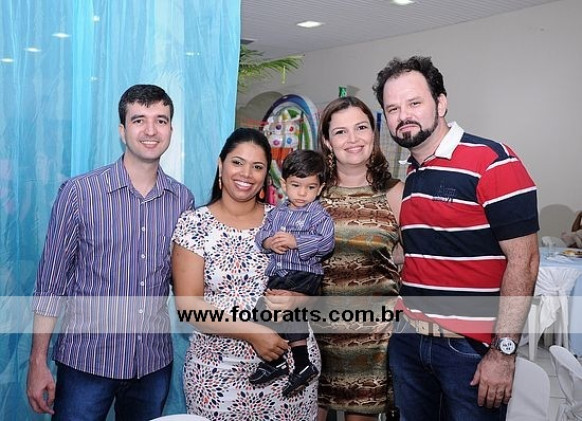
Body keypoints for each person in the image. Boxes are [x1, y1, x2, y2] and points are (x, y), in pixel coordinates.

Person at [373, 55, 540, 420]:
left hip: (468, 352)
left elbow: (525, 261)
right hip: (409, 343)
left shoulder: (493, 161)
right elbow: (423, 254)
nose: (403, 115)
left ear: (441, 102)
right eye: (393, 108)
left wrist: (503, 353)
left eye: (414, 103)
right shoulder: (412, 176)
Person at [26, 84, 195, 420]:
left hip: (151, 365)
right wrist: (37, 361)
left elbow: (184, 283)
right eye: (139, 120)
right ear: (122, 130)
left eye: (160, 120)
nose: (150, 130)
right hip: (86, 363)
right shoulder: (80, 192)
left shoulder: (182, 200)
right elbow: (50, 284)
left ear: (171, 130)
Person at [171, 128, 320, 420]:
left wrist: (298, 299)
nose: (246, 174)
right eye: (237, 162)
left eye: (257, 167)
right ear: (221, 164)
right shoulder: (194, 224)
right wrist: (252, 332)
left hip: (289, 372)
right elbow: (188, 306)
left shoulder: (286, 222)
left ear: (266, 176)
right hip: (217, 373)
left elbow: (313, 289)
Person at [315, 96, 404, 421]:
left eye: (361, 128)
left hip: (372, 341)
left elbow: (415, 260)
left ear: (373, 133)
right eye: (340, 132)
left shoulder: (395, 193)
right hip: (314, 335)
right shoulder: (311, 193)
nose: (352, 139)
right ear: (327, 141)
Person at [251, 149, 335, 397]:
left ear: (320, 188)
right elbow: (261, 236)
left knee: (273, 310)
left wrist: (297, 241)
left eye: (310, 187)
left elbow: (327, 243)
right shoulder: (276, 213)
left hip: (304, 273)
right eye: (296, 185)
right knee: (279, 314)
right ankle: (299, 364)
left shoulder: (318, 214)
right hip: (280, 273)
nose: (302, 193)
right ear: (284, 183)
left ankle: (281, 362)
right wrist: (269, 243)